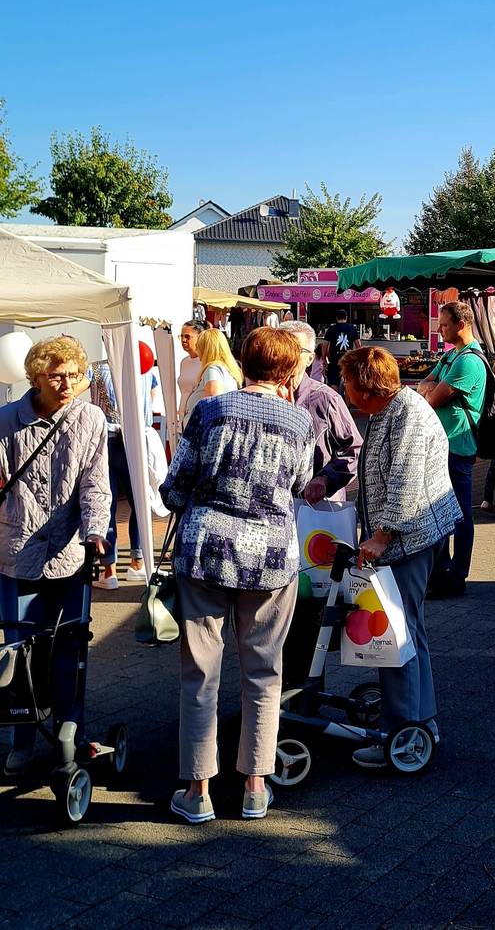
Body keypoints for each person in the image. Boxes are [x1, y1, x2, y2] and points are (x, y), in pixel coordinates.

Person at [159, 327, 315, 823]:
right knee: (265, 672)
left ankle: (198, 789)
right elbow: (300, 485)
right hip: (271, 557)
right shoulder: (301, 422)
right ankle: (254, 786)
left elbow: (174, 487)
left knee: (200, 673)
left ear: (243, 362)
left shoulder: (209, 411)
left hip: (206, 550)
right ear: (290, 372)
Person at [339, 347, 461, 768]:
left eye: (349, 383)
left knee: (397, 636)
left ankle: (405, 729)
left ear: (367, 386)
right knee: (408, 631)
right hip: (408, 536)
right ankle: (421, 720)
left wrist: (380, 536)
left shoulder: (405, 412)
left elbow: (405, 479)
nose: (346, 390)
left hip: (407, 539)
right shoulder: (391, 409)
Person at [0, 337, 110, 775]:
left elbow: (96, 485)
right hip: (17, 554)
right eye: (56, 375)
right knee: (19, 650)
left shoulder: (91, 418)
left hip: (68, 555)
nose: (67, 384)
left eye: (74, 375)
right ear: (36, 378)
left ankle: (71, 730)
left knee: (69, 647)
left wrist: (97, 531)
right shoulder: (7, 421)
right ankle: (22, 739)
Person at [417, 301, 487, 599]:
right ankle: (443, 570)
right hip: (442, 446)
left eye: (444, 325)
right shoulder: (451, 356)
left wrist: (428, 390)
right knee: (441, 512)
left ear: (461, 324)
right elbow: (426, 384)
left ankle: (457, 575)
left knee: (458, 514)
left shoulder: (468, 361)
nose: (440, 330)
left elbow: (431, 398)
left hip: (458, 446)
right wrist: (428, 388)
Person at [87, 359, 157, 589]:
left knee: (106, 503)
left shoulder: (95, 368)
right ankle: (137, 562)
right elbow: (151, 400)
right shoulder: (145, 368)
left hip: (106, 438)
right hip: (136, 438)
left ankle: (110, 570)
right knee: (140, 500)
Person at [279, 320, 362, 503]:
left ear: (310, 358)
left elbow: (354, 449)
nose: (287, 355)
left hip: (317, 510)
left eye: (296, 349)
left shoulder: (326, 399)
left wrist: (325, 479)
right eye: (282, 347)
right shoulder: (263, 397)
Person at [182, 328, 242, 429]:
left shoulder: (213, 369)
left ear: (206, 348)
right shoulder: (227, 369)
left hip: (203, 435)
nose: (197, 350)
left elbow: (213, 403)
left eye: (199, 346)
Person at [177, 319, 209, 436]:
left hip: (198, 420)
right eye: (181, 336)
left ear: (200, 338)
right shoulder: (184, 362)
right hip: (183, 420)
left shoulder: (205, 362)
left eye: (188, 337)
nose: (183, 340)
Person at [322, 309, 361, 391]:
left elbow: (325, 344)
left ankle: (336, 401)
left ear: (336, 318)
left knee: (334, 383)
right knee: (348, 382)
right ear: (346, 317)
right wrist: (359, 358)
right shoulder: (352, 328)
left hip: (334, 361)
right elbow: (358, 345)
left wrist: (323, 358)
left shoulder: (331, 329)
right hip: (347, 361)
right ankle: (346, 402)